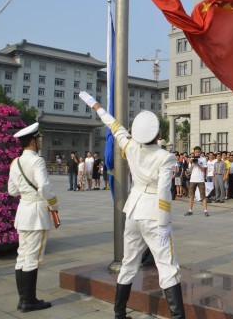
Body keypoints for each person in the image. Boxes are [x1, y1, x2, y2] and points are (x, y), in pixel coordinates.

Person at [79, 91, 185, 319]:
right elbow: (164, 192)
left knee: (128, 263)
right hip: (154, 214)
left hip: (134, 211)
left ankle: (119, 313)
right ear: (158, 133)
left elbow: (113, 125)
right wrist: (164, 223)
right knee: (168, 267)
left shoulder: (130, 147)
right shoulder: (165, 157)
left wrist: (95, 105)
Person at [8, 122, 57, 313]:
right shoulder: (37, 161)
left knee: (22, 256)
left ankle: (23, 300)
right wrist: (54, 205)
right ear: (33, 141)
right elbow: (44, 186)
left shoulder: (16, 162)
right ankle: (29, 301)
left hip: (23, 212)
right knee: (32, 258)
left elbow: (12, 190)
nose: (41, 141)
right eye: (39, 138)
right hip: (36, 213)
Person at [185, 146, 209, 217]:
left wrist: (197, 163)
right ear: (194, 152)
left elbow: (203, 170)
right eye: (196, 152)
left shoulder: (203, 159)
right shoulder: (191, 159)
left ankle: (205, 211)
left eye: (199, 152)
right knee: (191, 196)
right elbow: (190, 171)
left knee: (203, 196)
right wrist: (192, 163)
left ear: (201, 152)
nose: (197, 153)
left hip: (200, 180)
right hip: (193, 180)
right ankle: (190, 210)